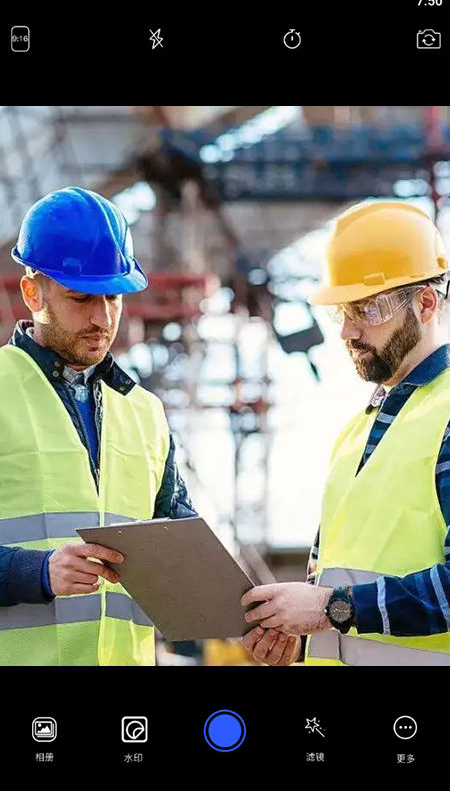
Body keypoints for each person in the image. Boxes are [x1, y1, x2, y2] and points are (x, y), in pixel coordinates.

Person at [242, 199, 450, 666]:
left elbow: (337, 606)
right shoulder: (356, 433)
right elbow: (335, 595)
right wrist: (298, 639)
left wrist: (329, 610)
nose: (348, 332)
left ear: (426, 302)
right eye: (343, 311)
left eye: (368, 308)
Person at [0, 186, 197, 666]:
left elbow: (182, 539)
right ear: (32, 292)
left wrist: (245, 607)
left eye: (114, 297)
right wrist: (39, 571)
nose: (103, 318)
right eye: (82, 298)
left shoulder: (145, 411)